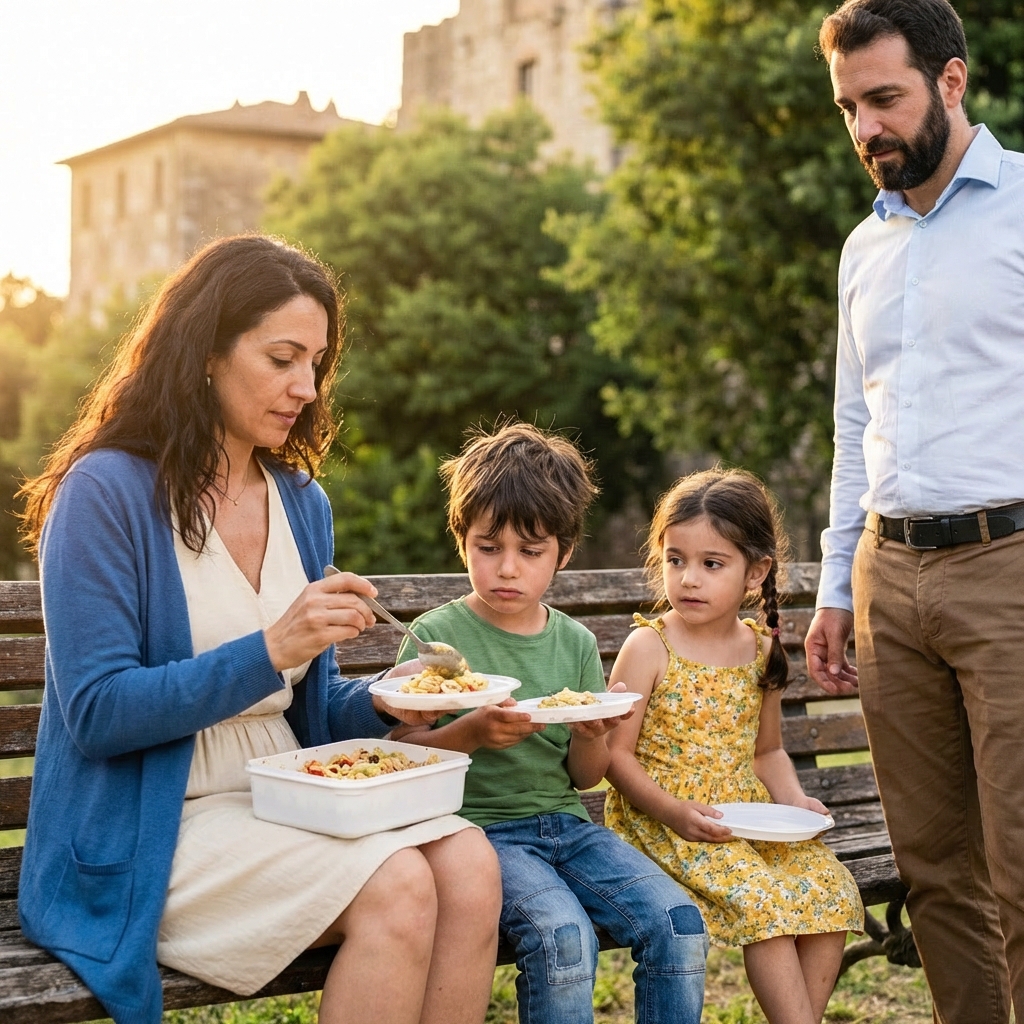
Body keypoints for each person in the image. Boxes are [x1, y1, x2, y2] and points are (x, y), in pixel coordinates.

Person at [16, 234, 502, 1024]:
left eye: (316, 363)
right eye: (282, 359)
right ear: (207, 352)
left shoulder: (302, 502)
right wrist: (271, 647)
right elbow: (100, 713)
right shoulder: (104, 492)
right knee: (400, 885)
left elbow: (306, 710)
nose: (305, 387)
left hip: (290, 797)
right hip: (151, 826)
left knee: (471, 865)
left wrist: (384, 700)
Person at [805, 1, 1024, 1019]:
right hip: (887, 581)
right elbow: (855, 425)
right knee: (934, 870)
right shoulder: (864, 247)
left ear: (950, 81)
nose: (866, 129)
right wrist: (834, 585)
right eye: (848, 108)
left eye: (884, 99)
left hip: (1008, 566)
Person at [391, 421, 709, 1024]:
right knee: (564, 938)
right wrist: (471, 732)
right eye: (489, 548)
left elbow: (585, 777)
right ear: (462, 541)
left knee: (678, 923)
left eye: (530, 552)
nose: (508, 569)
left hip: (568, 826)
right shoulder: (436, 639)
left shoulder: (576, 642)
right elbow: (405, 749)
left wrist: (596, 731)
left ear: (562, 553)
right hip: (480, 834)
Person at [604, 469, 862, 1024]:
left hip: (746, 815)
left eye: (711, 564)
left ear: (756, 572)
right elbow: (613, 756)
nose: (689, 579)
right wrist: (674, 811)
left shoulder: (761, 649)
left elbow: (767, 752)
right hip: (666, 820)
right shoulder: (649, 646)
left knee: (834, 893)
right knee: (766, 904)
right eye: (676, 560)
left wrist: (794, 801)